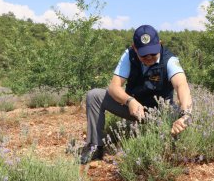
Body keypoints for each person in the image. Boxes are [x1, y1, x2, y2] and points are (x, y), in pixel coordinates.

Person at [80, 25, 192, 164]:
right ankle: (95, 146)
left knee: (182, 124)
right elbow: (114, 86)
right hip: (133, 109)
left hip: (161, 114)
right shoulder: (128, 55)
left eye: (153, 53)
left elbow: (182, 85)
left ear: (160, 44)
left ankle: (171, 143)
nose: (149, 57)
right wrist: (129, 100)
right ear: (134, 48)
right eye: (144, 54)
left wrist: (185, 115)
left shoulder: (170, 60)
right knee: (94, 95)